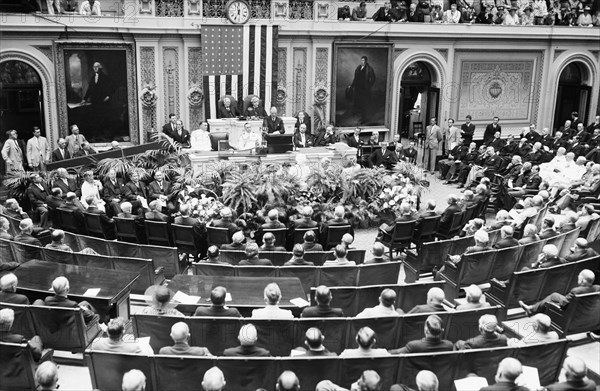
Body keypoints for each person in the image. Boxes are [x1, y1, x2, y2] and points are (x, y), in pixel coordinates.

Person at [520, 269, 599, 316]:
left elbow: (564, 304)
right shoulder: (598, 288)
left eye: (579, 276)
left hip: (569, 313)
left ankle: (532, 309)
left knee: (551, 299)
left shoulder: (576, 291)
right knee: (555, 295)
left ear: (582, 280)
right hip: (586, 311)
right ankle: (532, 308)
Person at [351, 56, 376, 123]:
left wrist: (368, 86)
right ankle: (357, 116)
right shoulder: (358, 68)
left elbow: (373, 78)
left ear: (366, 61)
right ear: (360, 61)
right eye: (362, 60)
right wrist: (352, 85)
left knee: (363, 104)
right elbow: (355, 78)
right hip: (357, 89)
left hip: (364, 90)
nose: (363, 62)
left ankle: (364, 118)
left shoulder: (369, 69)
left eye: (364, 60)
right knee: (357, 103)